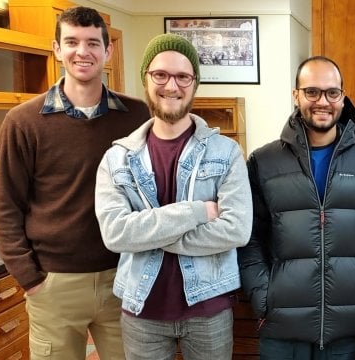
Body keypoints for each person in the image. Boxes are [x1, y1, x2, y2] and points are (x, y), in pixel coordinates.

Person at [0, 6, 149, 360]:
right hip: (54, 282)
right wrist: (31, 279)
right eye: (72, 42)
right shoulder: (23, 121)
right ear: (57, 49)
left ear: (108, 52)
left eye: (93, 42)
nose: (82, 51)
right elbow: (4, 206)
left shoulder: (137, 116)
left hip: (122, 278)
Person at [94, 34, 252, 360]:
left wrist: (148, 234)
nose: (171, 86)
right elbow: (115, 233)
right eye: (161, 75)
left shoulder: (227, 153)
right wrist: (196, 212)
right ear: (146, 79)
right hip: (142, 310)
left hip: (209, 306)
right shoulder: (117, 159)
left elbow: (237, 229)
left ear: (194, 84)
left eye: (183, 76)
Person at [239, 56, 355, 359]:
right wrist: (264, 296)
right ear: (296, 95)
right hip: (280, 328)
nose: (323, 101)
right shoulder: (263, 162)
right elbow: (249, 238)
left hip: (342, 327)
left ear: (342, 96)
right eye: (312, 92)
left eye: (332, 92)